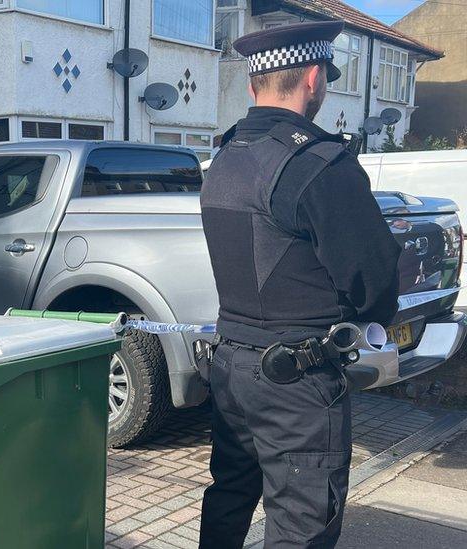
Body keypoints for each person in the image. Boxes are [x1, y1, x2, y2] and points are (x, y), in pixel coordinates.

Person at [198, 20, 401, 548]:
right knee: (301, 522)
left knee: (228, 499)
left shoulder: (224, 158)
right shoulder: (318, 164)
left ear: (253, 86)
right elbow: (373, 284)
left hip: (231, 367)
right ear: (314, 78)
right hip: (297, 382)